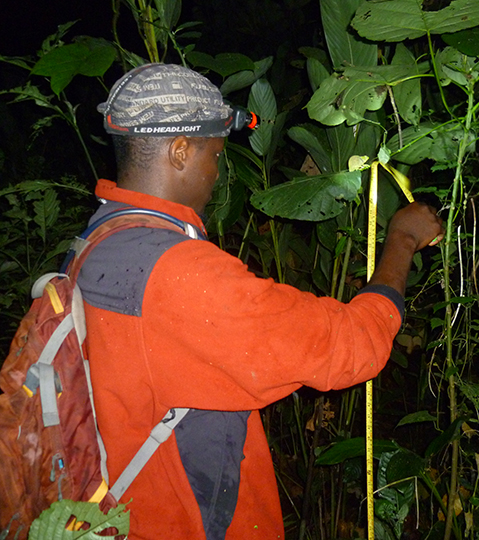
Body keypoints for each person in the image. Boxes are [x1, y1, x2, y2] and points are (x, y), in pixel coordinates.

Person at [78, 63, 444, 540]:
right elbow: (351, 346)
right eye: (215, 154)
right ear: (181, 150)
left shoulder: (97, 240)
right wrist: (402, 240)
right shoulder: (180, 276)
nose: (216, 171)